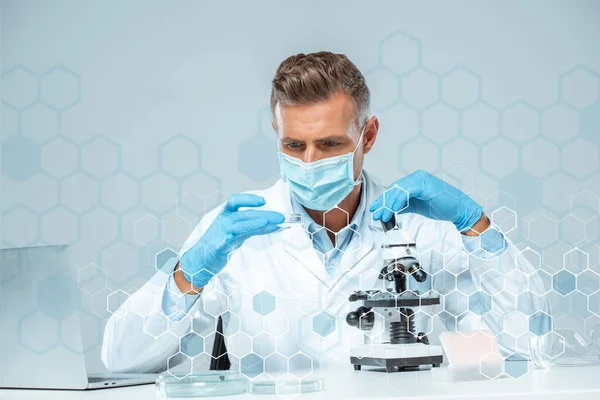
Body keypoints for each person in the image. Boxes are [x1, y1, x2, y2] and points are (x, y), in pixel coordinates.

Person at [101, 52, 552, 374]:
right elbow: (122, 360)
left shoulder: (424, 229)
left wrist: (476, 226)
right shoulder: (234, 231)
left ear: (368, 136)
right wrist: (189, 275)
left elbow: (527, 348)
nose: (310, 161)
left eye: (331, 144)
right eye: (293, 145)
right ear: (276, 133)